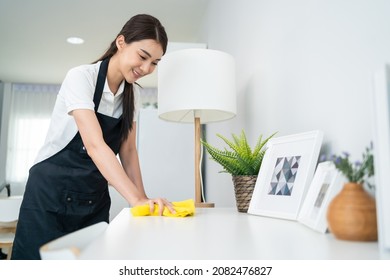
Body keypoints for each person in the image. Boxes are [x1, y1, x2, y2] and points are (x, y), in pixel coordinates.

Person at [11, 14, 175, 260]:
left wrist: (142, 202)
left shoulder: (133, 96)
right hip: (49, 195)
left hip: (92, 198)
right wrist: (136, 199)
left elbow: (128, 151)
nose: (147, 69)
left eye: (155, 63)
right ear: (121, 42)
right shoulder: (81, 77)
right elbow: (95, 145)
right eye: (143, 57)